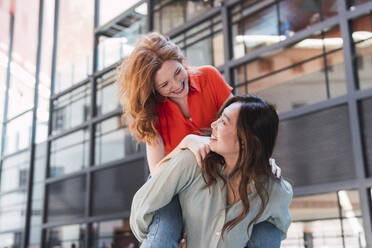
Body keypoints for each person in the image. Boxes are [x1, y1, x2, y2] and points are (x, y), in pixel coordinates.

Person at [118, 33, 281, 247]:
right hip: (171, 179)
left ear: (182, 60)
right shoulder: (151, 113)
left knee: (264, 230)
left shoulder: (209, 77)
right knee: (163, 233)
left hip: (215, 171)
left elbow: (243, 124)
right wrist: (187, 143)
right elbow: (158, 173)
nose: (177, 85)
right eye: (165, 84)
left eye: (178, 72)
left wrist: (261, 158)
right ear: (154, 89)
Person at [130, 95, 293, 247]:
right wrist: (164, 237)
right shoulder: (193, 161)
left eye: (223, 122)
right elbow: (141, 206)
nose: (213, 125)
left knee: (267, 231)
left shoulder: (275, 191)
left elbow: (276, 232)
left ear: (245, 140)